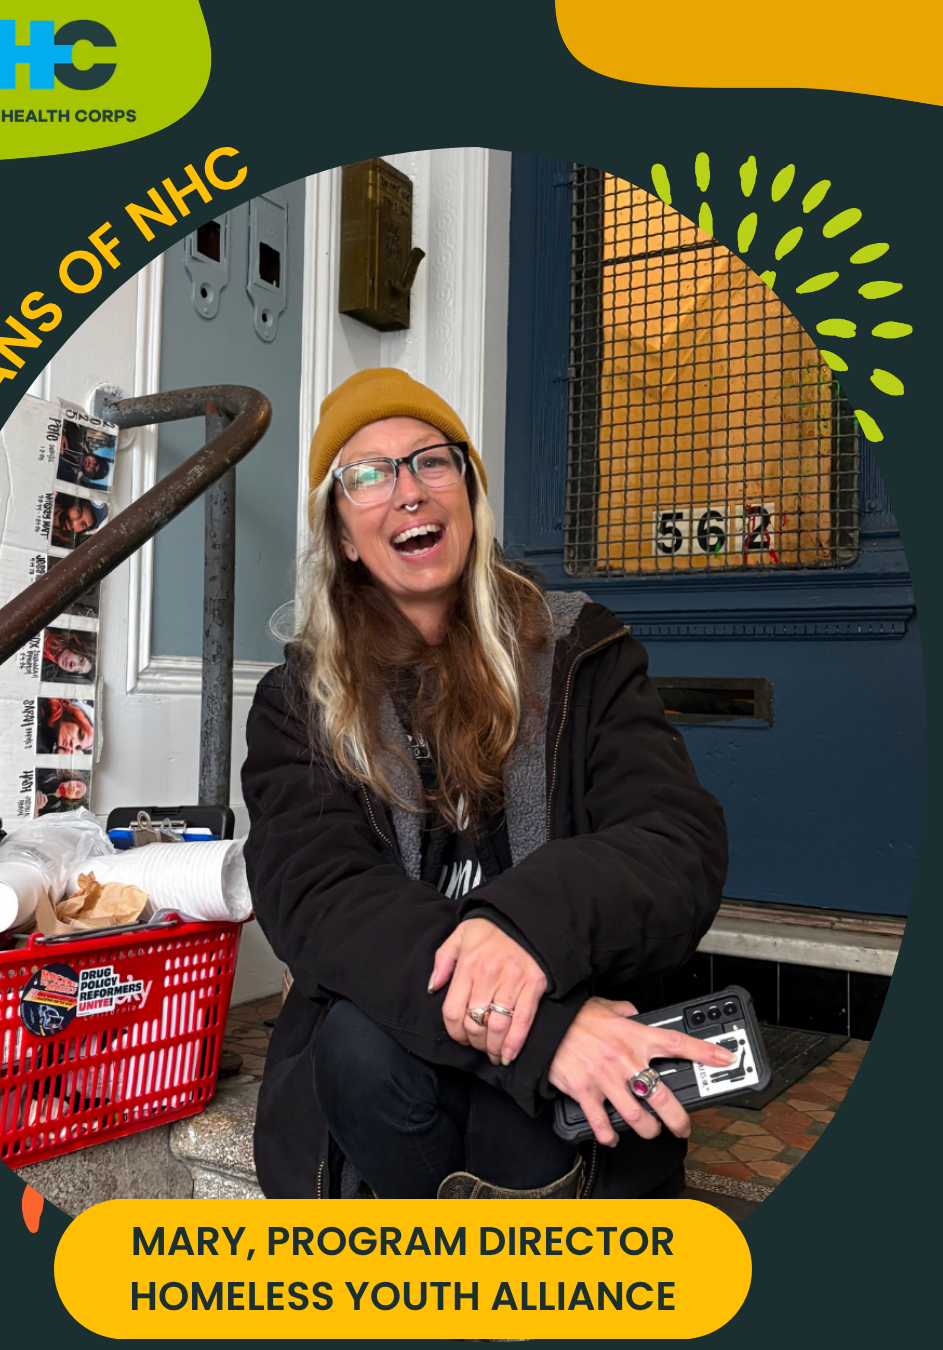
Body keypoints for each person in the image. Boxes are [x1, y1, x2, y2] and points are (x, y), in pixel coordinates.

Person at [241, 368, 730, 1202]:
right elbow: (321, 900)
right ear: (345, 538)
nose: (407, 492)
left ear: (469, 495)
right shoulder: (298, 700)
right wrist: (537, 1035)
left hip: (568, 1027)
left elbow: (674, 844)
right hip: (409, 1041)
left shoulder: (584, 654)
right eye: (368, 474)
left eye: (432, 461)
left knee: (510, 1116)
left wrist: (523, 927)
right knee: (360, 1047)